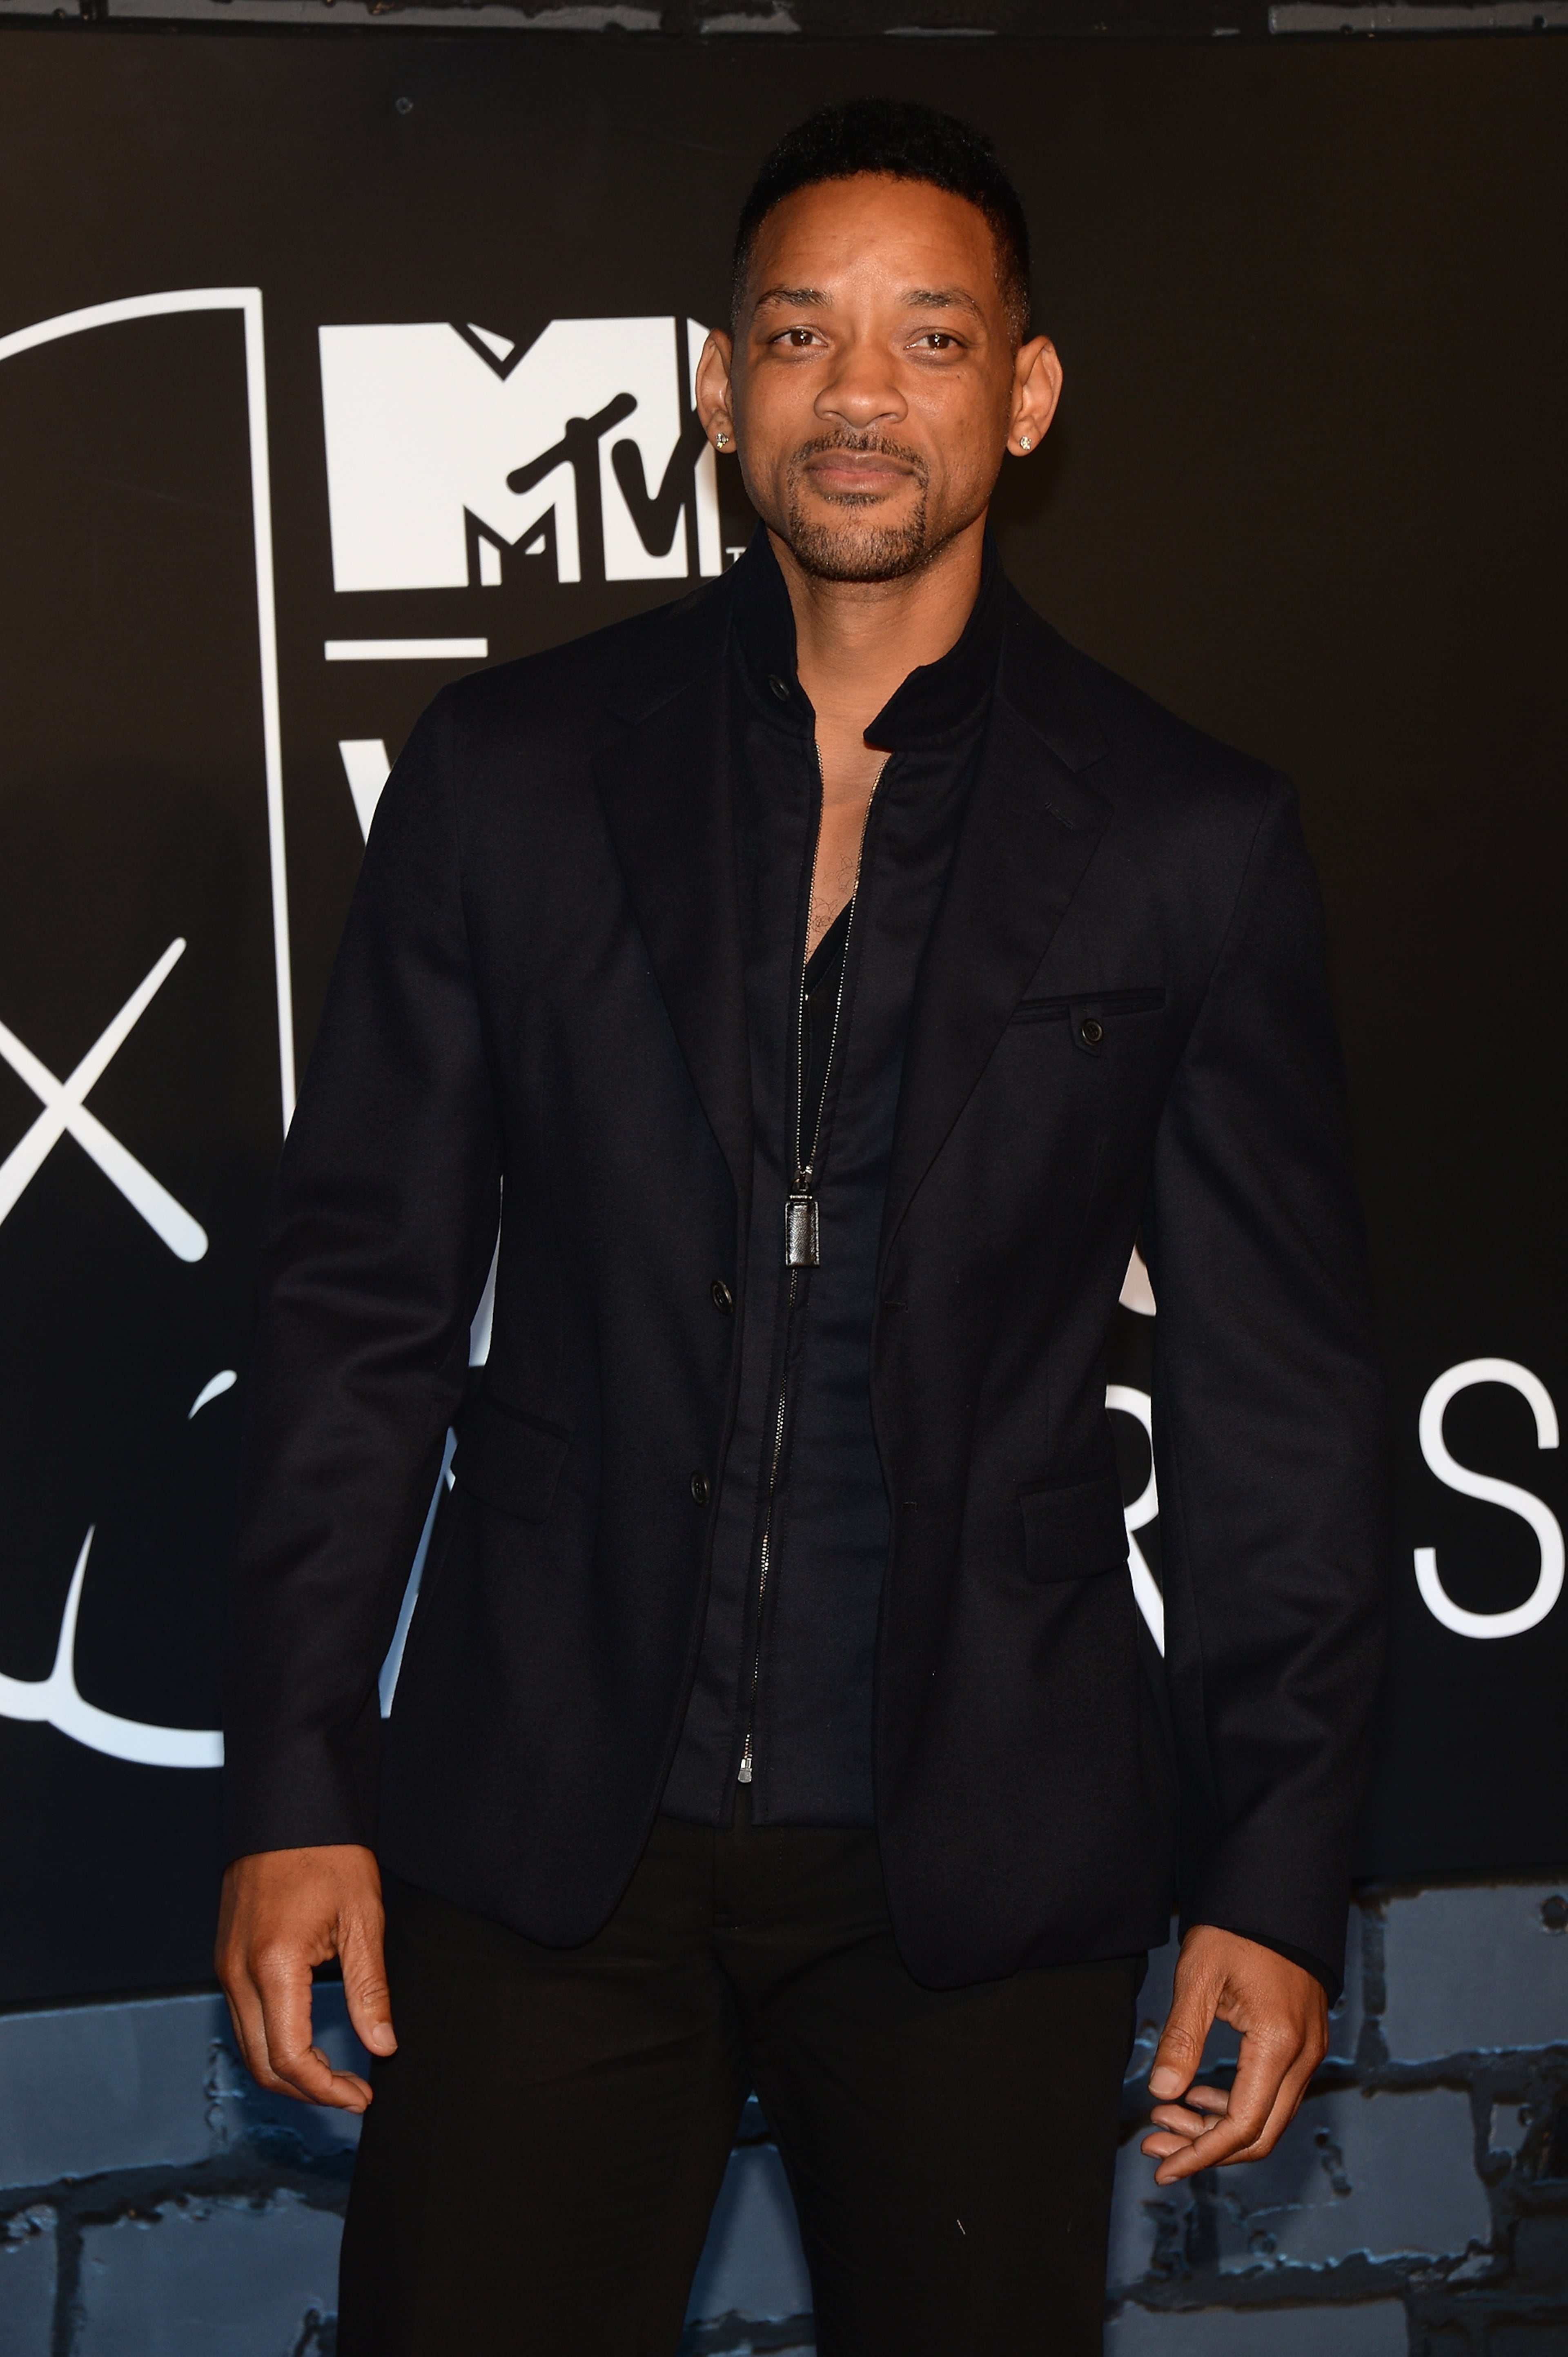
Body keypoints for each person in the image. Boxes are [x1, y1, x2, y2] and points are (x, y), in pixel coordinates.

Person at [216, 98, 1385, 2357]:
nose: (863, 394)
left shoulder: (1189, 838)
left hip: (983, 1858)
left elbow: (1280, 1389)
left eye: (929, 336)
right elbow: (357, 1302)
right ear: (714, 384)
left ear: (1023, 396)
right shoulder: (508, 780)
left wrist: (1278, 1873)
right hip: (547, 1829)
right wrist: (290, 1771)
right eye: (803, 336)